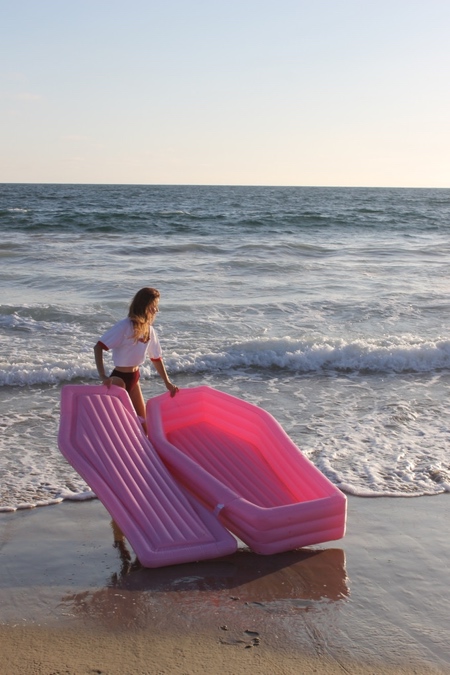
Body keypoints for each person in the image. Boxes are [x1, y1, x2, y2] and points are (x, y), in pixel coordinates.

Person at [94, 287, 178, 427]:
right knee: (117, 424)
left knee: (143, 424)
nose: (156, 310)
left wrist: (167, 383)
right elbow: (99, 347)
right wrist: (102, 375)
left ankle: (143, 449)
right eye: (153, 306)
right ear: (144, 306)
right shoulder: (124, 327)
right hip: (118, 379)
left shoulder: (149, 330)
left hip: (134, 378)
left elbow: (156, 358)